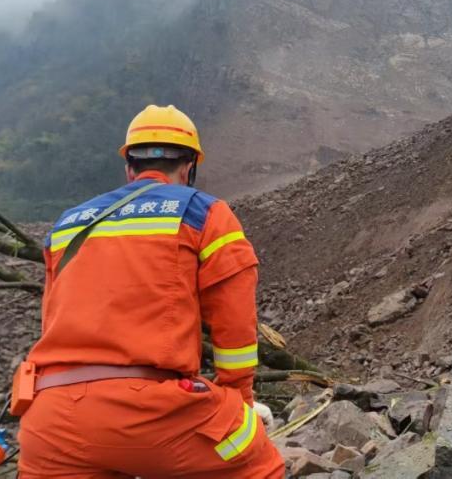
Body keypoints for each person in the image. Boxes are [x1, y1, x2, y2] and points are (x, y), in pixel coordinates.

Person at [16, 104, 285, 478]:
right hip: (151, 413)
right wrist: (239, 404)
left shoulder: (66, 226)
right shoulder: (205, 214)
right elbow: (235, 329)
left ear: (129, 168)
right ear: (190, 167)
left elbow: (52, 321)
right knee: (258, 465)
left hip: (48, 420)